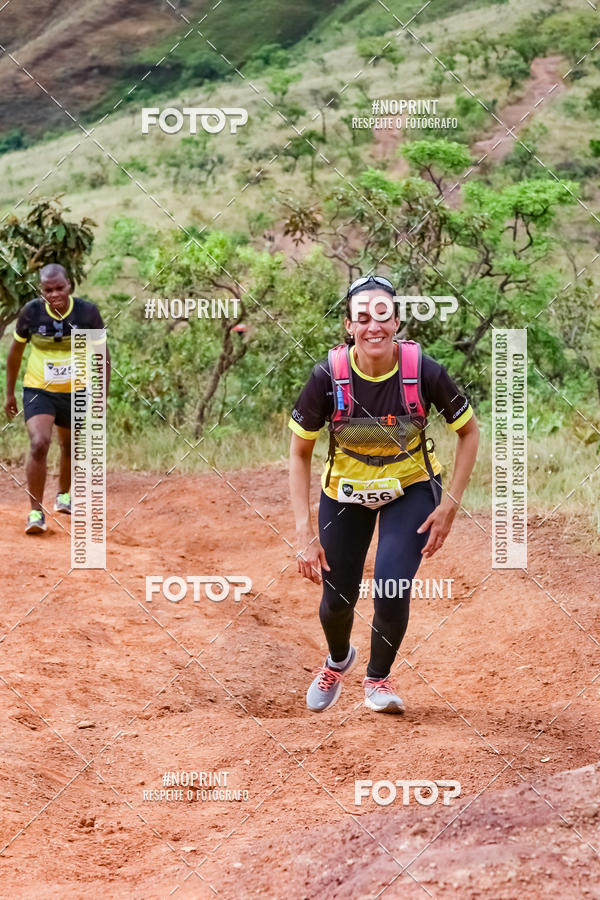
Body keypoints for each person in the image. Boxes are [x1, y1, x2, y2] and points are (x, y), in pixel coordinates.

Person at [288, 275, 479, 714]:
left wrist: (449, 506)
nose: (373, 326)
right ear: (348, 326)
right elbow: (299, 453)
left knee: (392, 587)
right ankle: (338, 660)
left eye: (382, 315)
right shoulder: (327, 377)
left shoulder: (423, 371)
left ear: (396, 320)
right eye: (362, 317)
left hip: (409, 490)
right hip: (344, 494)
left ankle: (378, 680)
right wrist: (304, 531)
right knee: (338, 600)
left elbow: (469, 433)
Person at [4, 263, 110, 534]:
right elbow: (15, 353)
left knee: (70, 447)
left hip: (77, 390)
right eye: (47, 290)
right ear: (41, 291)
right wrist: (9, 394)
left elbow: (102, 357)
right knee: (39, 443)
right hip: (39, 389)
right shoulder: (32, 313)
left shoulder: (87, 313)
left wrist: (101, 396)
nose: (54, 294)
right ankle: (35, 513)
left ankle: (64, 495)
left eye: (59, 288)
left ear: (69, 285)